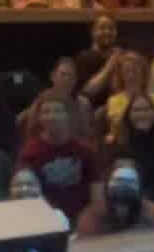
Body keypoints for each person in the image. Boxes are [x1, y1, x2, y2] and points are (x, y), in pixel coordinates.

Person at [19, 92, 100, 227]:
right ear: (39, 118)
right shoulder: (30, 153)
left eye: (57, 111)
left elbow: (97, 195)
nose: (52, 116)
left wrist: (89, 221)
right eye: (46, 112)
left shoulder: (85, 151)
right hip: (45, 221)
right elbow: (26, 197)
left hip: (82, 222)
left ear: (68, 115)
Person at [103, 92, 154, 209]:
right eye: (136, 110)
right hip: (130, 208)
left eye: (146, 109)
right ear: (128, 115)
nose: (142, 114)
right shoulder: (118, 147)